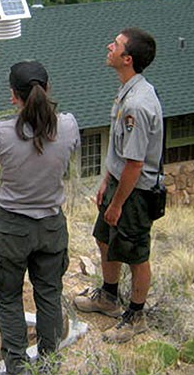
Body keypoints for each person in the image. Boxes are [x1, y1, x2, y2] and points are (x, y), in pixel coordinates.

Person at [0, 61, 80, 374]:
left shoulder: (1, 131)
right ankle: (50, 364)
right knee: (49, 294)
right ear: (47, 89)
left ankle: (18, 367)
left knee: (9, 296)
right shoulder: (68, 125)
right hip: (51, 224)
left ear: (14, 96)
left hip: (12, 226)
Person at [73, 27, 163, 343]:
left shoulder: (138, 105)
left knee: (136, 254)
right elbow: (120, 152)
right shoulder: (127, 91)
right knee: (104, 239)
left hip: (134, 193)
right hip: (119, 183)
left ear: (127, 59)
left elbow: (136, 164)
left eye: (116, 45)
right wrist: (106, 181)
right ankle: (109, 298)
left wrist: (117, 203)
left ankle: (136, 316)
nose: (108, 46)